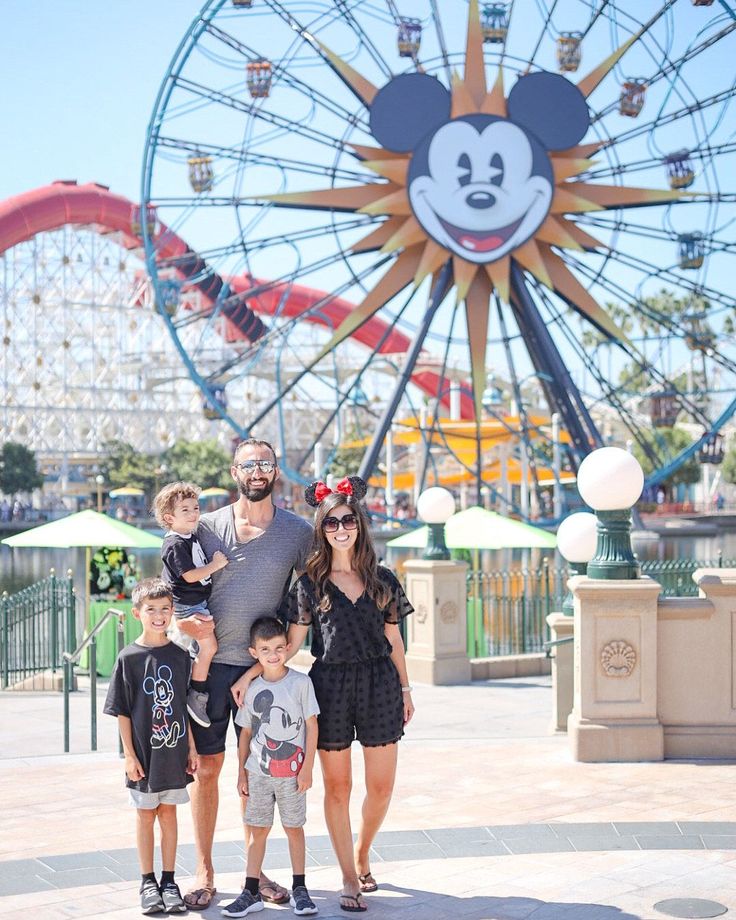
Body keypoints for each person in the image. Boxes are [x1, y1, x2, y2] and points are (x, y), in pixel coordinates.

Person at [232, 475, 415, 913]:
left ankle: (363, 851)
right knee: (338, 788)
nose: (340, 529)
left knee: (382, 788)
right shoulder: (309, 584)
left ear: (359, 524)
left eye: (347, 520)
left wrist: (406, 688)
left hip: (379, 685)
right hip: (329, 686)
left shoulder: (383, 579)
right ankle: (348, 877)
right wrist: (252, 674)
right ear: (322, 529)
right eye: (330, 523)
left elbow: (394, 640)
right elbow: (291, 645)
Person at [179, 438, 313, 911]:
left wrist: (258, 668)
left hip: (261, 674)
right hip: (207, 666)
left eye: (266, 464)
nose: (257, 472)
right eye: (248, 464)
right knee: (209, 769)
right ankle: (204, 870)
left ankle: (253, 876)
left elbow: (307, 601)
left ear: (276, 471)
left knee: (255, 776)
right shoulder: (207, 527)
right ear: (234, 471)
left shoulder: (298, 532)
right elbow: (177, 586)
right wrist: (181, 623)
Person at [103, 577, 198, 915]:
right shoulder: (128, 658)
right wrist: (129, 755)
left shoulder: (180, 655)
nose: (159, 615)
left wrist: (191, 748)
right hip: (143, 755)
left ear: (172, 612)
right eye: (152, 610)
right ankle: (147, 882)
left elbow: (183, 707)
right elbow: (122, 712)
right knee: (145, 815)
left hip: (173, 753)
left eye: (165, 609)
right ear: (136, 613)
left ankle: (169, 881)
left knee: (169, 813)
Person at [222, 616, 320, 918]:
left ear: (288, 647)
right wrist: (241, 772)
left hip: (292, 773)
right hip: (259, 773)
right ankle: (251, 891)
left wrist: (307, 768)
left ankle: (300, 889)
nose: (274, 654)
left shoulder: (301, 683)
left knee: (294, 828)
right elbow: (246, 734)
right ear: (254, 653)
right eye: (266, 650)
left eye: (279, 648)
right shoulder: (251, 689)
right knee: (258, 830)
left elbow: (311, 726)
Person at [154, 481, 229, 729]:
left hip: (196, 603)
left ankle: (187, 686)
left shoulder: (188, 536)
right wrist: (215, 565)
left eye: (195, 507)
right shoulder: (175, 544)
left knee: (197, 649)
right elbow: (189, 575)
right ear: (169, 517)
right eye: (184, 510)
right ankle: (195, 694)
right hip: (189, 606)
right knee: (208, 648)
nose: (193, 513)